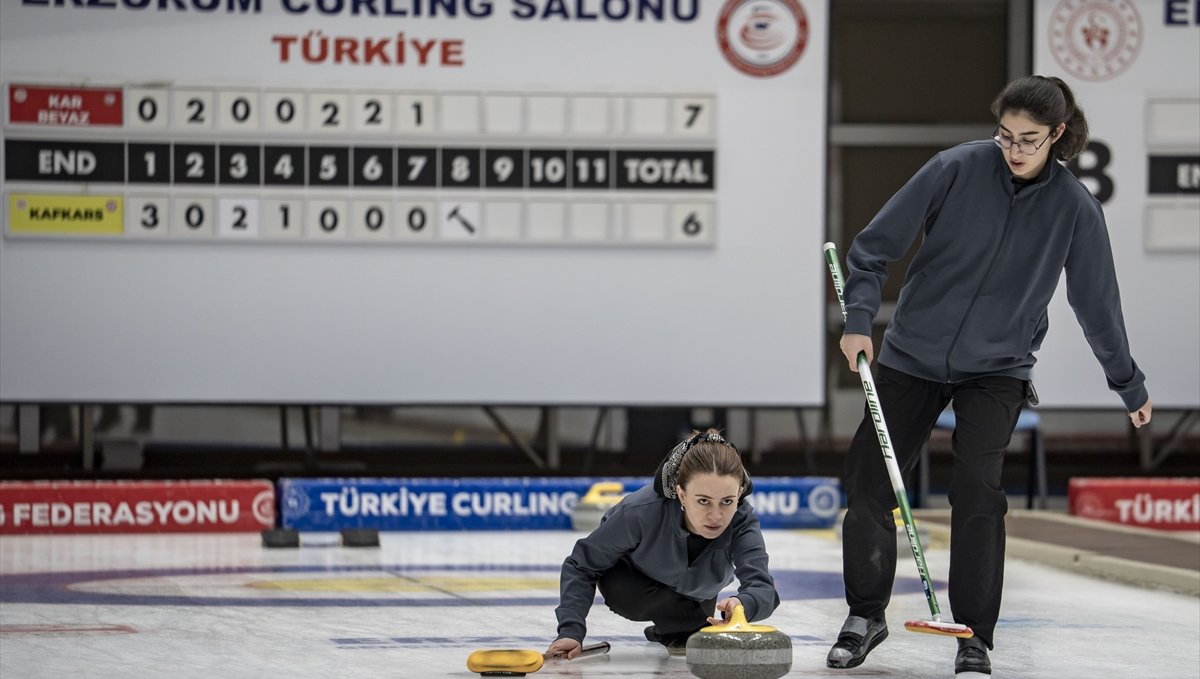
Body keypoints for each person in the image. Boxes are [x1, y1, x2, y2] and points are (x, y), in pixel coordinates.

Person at [827, 75, 1152, 676]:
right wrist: (858, 319)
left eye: (1029, 139)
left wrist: (1127, 382)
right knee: (869, 480)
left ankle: (974, 634)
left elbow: (1097, 304)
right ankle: (865, 614)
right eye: (1004, 136)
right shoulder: (955, 168)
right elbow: (872, 249)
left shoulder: (1075, 209)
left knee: (978, 492)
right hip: (910, 357)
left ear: (1057, 135)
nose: (1014, 150)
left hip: (997, 370)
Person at [546, 429, 780, 659]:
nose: (716, 516)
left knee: (691, 633)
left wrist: (743, 604)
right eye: (703, 501)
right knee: (633, 598)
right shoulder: (640, 512)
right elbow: (581, 565)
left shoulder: (742, 520)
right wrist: (570, 632)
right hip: (633, 586)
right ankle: (681, 624)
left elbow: (763, 588)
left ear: (739, 494)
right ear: (681, 494)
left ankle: (676, 626)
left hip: (698, 596)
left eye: (727, 501)